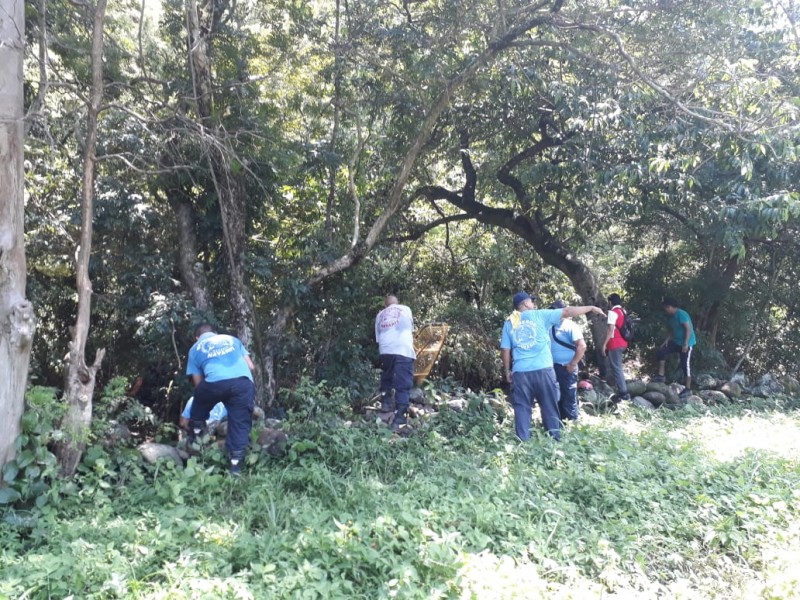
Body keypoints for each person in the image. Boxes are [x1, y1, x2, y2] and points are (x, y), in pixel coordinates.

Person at [501, 292, 604, 441]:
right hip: (543, 370)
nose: (533, 304)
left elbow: (505, 350)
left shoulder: (509, 322)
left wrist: (507, 370)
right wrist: (591, 308)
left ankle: (522, 442)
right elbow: (568, 311)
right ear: (524, 304)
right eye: (531, 301)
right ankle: (554, 439)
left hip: (521, 372)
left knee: (522, 408)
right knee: (549, 404)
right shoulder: (541, 315)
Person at [186, 323, 256, 475]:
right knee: (239, 423)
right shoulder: (232, 339)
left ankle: (197, 445)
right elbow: (250, 367)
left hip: (213, 384)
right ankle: (235, 468)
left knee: (198, 406)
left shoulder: (195, 348)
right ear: (215, 333)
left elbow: (198, 383)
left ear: (197, 337)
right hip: (242, 384)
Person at [375, 295, 416, 430]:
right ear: (397, 303)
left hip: (385, 350)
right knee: (403, 383)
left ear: (385, 306)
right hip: (403, 349)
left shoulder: (380, 315)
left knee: (387, 374)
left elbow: (379, 339)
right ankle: (400, 419)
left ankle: (386, 403)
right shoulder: (406, 309)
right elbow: (409, 330)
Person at [548, 300, 587, 422]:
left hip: (567, 366)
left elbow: (582, 346)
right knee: (555, 396)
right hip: (552, 367)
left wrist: (573, 363)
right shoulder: (549, 326)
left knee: (568, 396)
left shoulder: (571, 326)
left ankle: (571, 423)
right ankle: (559, 422)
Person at [652, 296, 696, 396]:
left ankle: (688, 389)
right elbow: (672, 330)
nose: (665, 310)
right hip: (676, 341)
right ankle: (661, 375)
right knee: (661, 351)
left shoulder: (681, 314)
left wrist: (685, 343)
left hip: (686, 343)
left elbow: (688, 329)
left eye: (666, 308)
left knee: (685, 365)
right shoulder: (671, 317)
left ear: (670, 307)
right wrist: (666, 341)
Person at [601, 293, 630, 401]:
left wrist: (604, 345)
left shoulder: (613, 313)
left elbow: (610, 329)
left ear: (610, 301)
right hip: (623, 342)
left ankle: (624, 393)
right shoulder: (623, 311)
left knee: (617, 368)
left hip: (615, 343)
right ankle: (621, 389)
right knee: (616, 366)